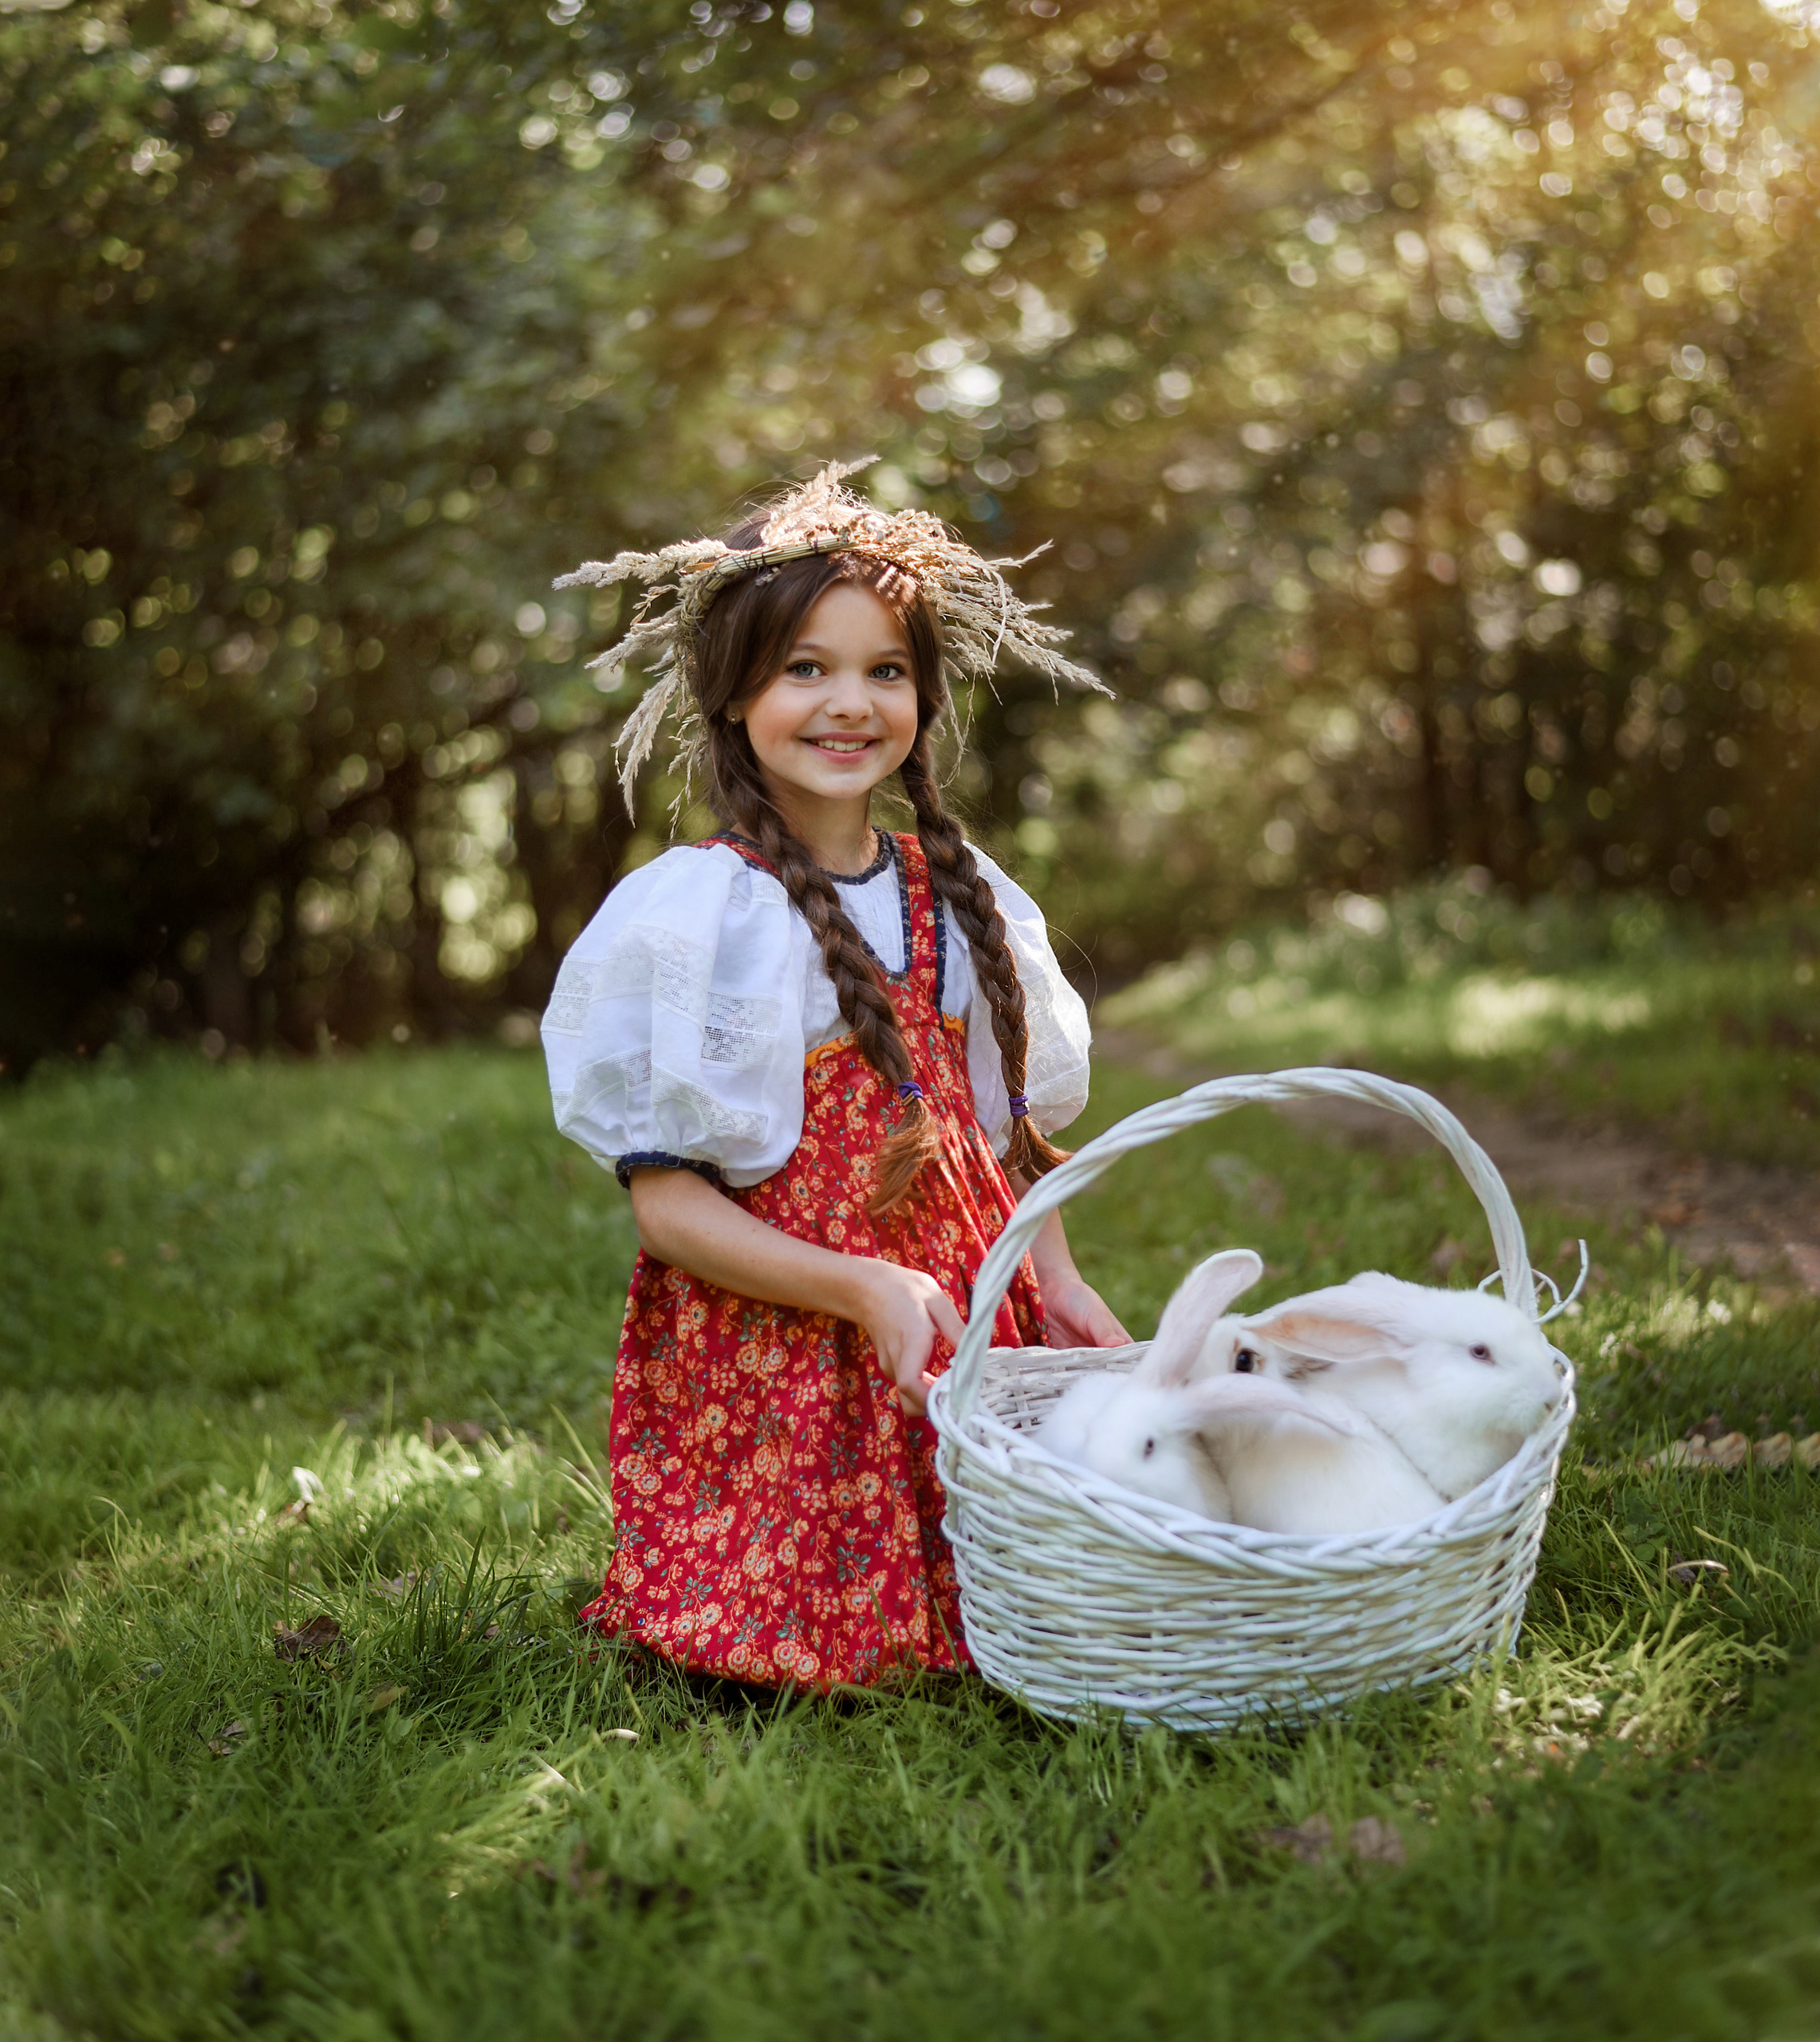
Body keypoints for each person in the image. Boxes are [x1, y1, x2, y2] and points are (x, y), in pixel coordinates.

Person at [542, 459, 1129, 1690]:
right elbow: (668, 1208)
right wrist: (861, 1285)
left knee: (1026, 1607)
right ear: (734, 691)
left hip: (954, 1317)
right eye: (805, 668)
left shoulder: (961, 894)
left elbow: (999, 1129)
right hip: (783, 1344)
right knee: (809, 1649)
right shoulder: (696, 917)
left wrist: (1057, 1276)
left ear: (923, 694)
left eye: (884, 671)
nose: (849, 703)